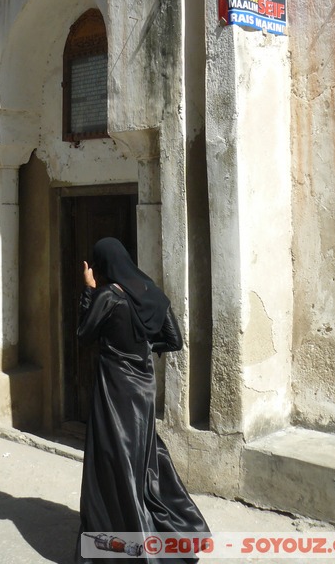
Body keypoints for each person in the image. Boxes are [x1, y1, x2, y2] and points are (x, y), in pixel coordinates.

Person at [76, 237, 210, 562]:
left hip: (115, 388)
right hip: (144, 388)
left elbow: (83, 334)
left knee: (114, 460)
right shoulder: (150, 291)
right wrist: (145, 350)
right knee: (144, 455)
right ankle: (175, 530)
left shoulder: (108, 296)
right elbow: (174, 340)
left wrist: (89, 289)